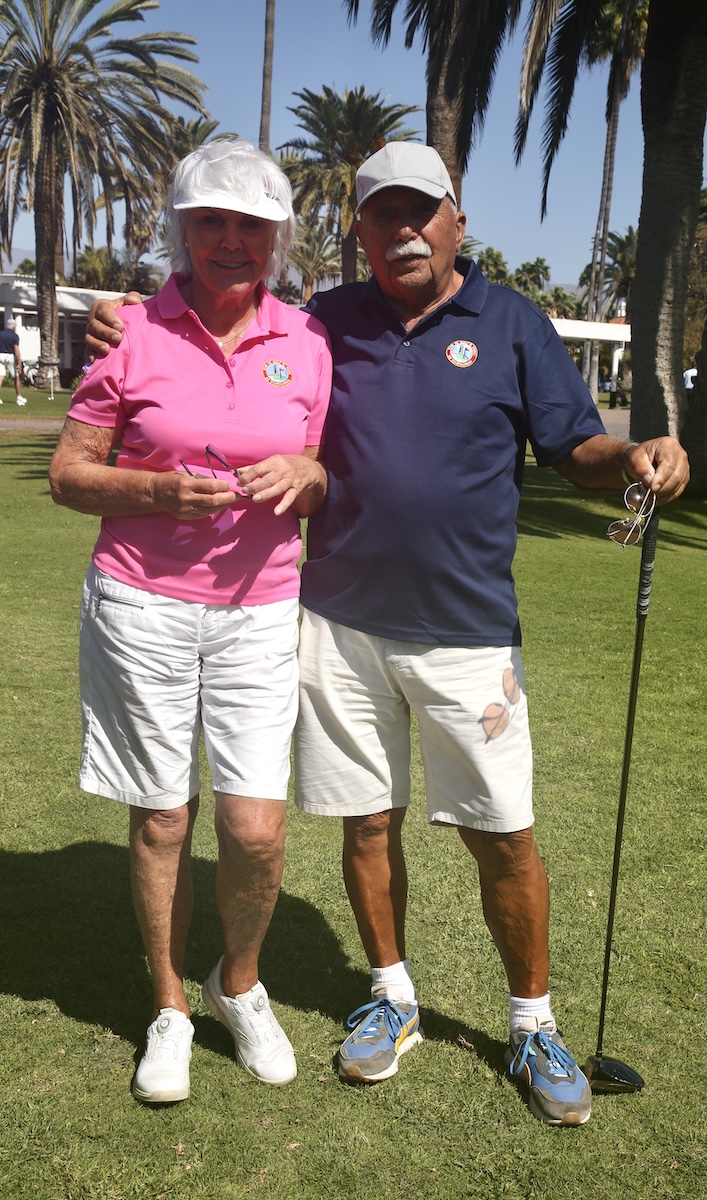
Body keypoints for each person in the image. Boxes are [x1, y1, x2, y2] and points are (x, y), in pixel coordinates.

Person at [86, 142, 689, 1128]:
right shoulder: (325, 321)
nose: (403, 230)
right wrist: (127, 313)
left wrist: (630, 455)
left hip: (467, 629)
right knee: (366, 824)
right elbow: (221, 315)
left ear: (456, 221)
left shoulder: (512, 323)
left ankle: (532, 1023)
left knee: (503, 834)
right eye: (382, 214)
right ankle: (391, 994)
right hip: (338, 625)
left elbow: (572, 446)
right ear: (358, 229)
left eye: (420, 211)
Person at [50, 139, 332, 1105]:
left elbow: (322, 475)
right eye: (211, 220)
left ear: (278, 238)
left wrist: (308, 473)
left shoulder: (306, 342)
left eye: (251, 224)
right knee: (164, 816)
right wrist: (156, 490)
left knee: (254, 827)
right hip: (142, 605)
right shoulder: (131, 332)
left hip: (261, 608)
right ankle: (169, 1005)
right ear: (181, 229)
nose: (231, 240)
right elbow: (69, 474)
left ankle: (237, 983)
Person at [0, 318, 27, 405]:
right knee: (16, 377)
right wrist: (19, 363)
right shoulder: (14, 336)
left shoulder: (1, 334)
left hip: (0, 355)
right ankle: (19, 397)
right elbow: (16, 350)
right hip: (9, 356)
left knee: (0, 376)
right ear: (13, 327)